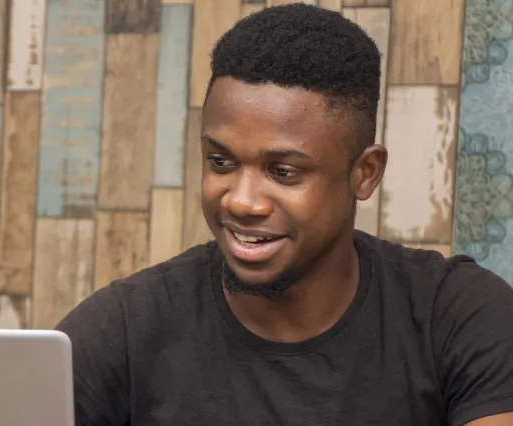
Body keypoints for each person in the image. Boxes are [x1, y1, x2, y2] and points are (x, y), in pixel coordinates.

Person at [56, 3, 513, 425]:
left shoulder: (457, 317)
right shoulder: (125, 329)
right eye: (221, 162)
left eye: (284, 171)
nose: (241, 201)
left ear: (365, 173)